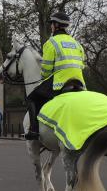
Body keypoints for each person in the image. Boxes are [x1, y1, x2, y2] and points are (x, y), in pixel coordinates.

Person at [24, 9, 87, 141]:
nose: (51, 26)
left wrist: (44, 75)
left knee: (31, 98)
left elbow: (46, 71)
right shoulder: (77, 44)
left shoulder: (51, 43)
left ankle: (33, 131)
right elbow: (83, 65)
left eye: (52, 24)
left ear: (56, 25)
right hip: (80, 82)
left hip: (61, 83)